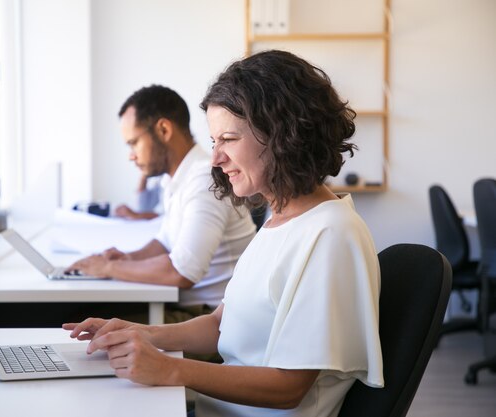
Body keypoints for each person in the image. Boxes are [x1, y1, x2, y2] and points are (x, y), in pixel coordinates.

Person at [63, 50, 383, 417]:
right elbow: (219, 324)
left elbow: (289, 387)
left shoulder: (331, 234)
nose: (215, 158)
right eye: (214, 142)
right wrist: (138, 333)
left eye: (228, 139)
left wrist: (169, 368)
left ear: (281, 134)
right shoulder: (280, 219)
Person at [67, 85, 257, 322]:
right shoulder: (179, 178)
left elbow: (182, 272)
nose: (131, 155)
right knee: (85, 317)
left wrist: (108, 269)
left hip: (210, 319)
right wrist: (125, 258)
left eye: (134, 142)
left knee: (84, 321)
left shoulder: (205, 179)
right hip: (192, 309)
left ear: (164, 129)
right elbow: (165, 242)